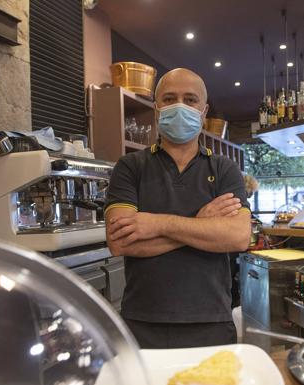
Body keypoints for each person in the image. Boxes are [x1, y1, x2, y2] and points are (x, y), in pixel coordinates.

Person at [104, 68, 251, 349]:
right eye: (169, 98)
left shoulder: (224, 169)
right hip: (142, 321)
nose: (179, 106)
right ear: (157, 108)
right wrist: (201, 224)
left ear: (203, 110)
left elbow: (238, 237)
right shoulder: (130, 167)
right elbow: (120, 242)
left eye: (190, 99)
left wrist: (157, 224)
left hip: (211, 320)